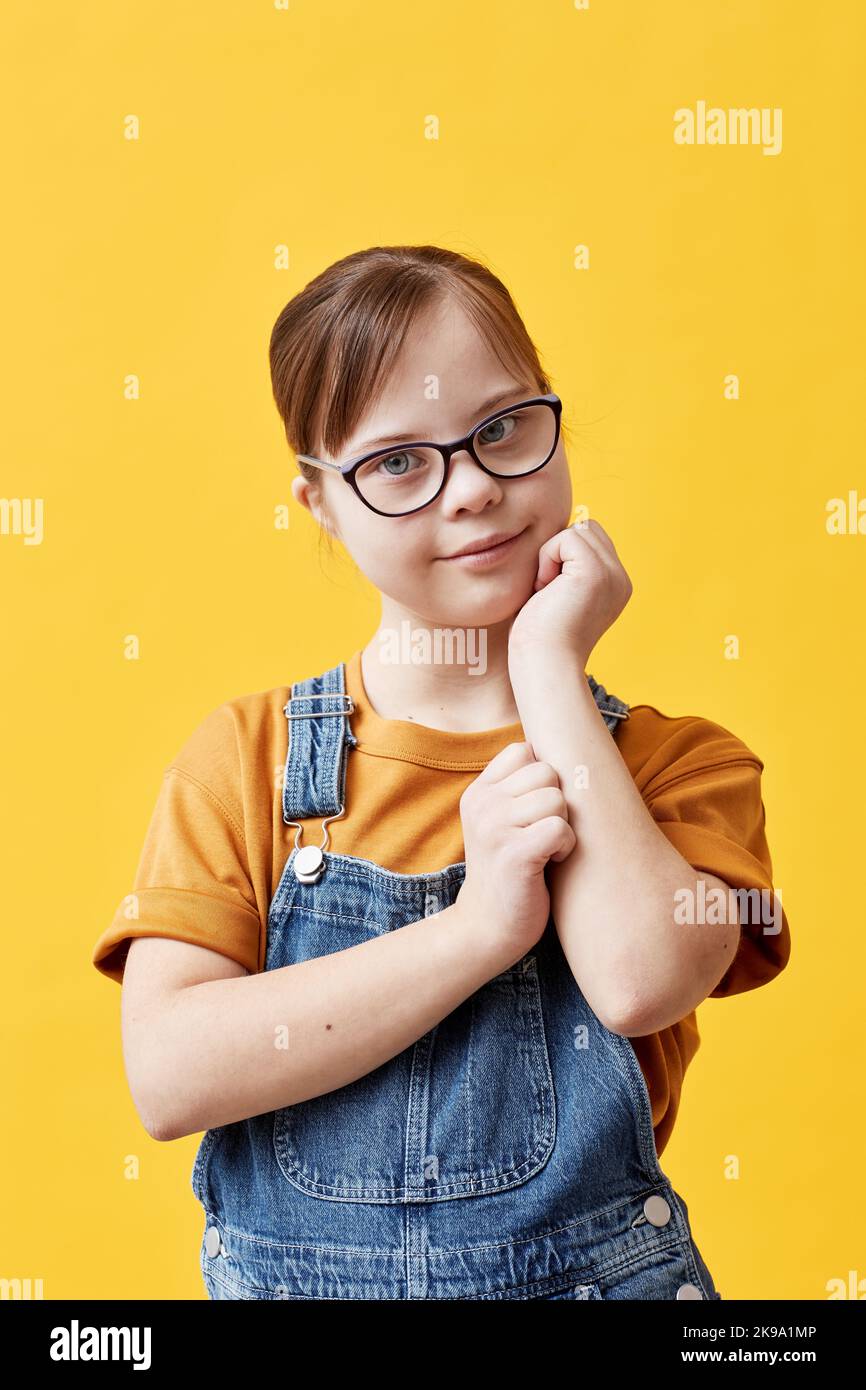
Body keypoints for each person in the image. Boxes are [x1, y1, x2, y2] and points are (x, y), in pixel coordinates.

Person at [92, 244, 791, 1300]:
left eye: (502, 427)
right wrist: (475, 931)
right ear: (319, 503)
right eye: (399, 462)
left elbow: (641, 980)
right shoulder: (246, 760)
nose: (470, 488)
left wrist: (546, 668)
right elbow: (170, 1073)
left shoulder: (670, 764)